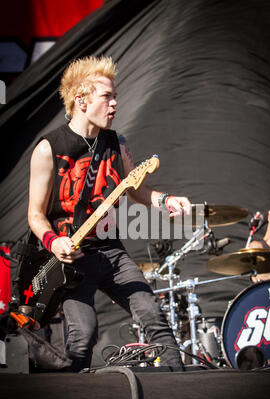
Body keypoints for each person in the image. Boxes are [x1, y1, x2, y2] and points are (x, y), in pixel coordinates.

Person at [27, 55, 192, 372]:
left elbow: (136, 190)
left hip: (111, 251)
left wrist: (165, 199)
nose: (115, 103)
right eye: (107, 96)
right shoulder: (49, 149)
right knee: (82, 337)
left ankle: (181, 386)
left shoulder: (117, 143)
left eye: (115, 96)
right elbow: (35, 214)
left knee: (153, 317)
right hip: (71, 261)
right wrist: (53, 242)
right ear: (82, 100)